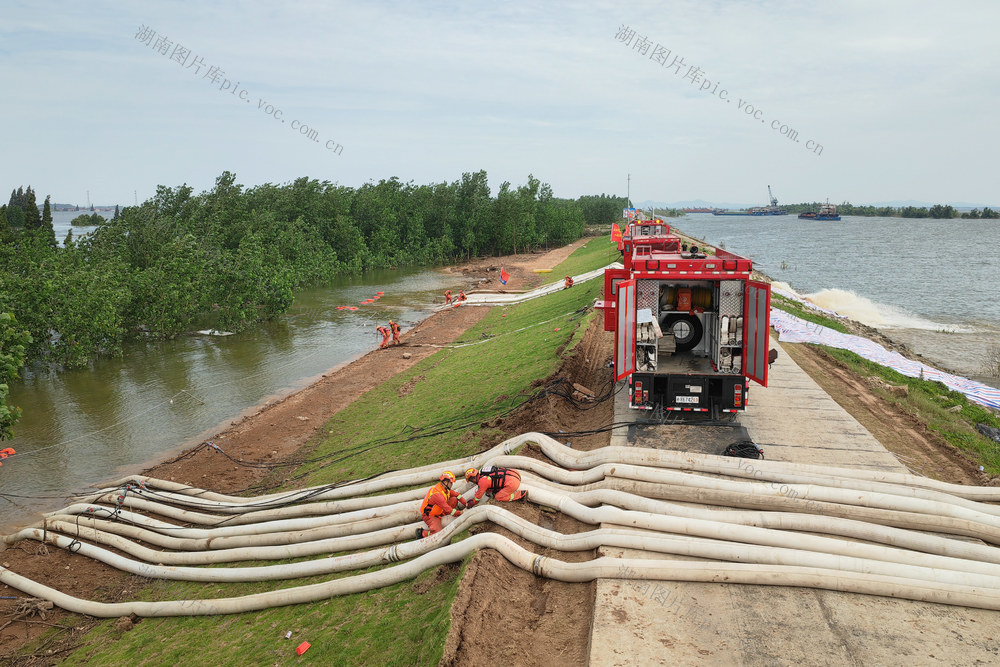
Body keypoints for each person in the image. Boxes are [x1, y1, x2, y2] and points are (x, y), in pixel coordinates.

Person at [416, 471, 467, 538]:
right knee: (437, 533)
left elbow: (457, 495)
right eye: (451, 483)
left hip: (439, 510)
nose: (452, 485)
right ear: (445, 482)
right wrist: (460, 513)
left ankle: (442, 515)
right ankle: (422, 533)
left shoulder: (445, 489)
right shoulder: (437, 494)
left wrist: (465, 503)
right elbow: (449, 510)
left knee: (454, 499)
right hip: (430, 515)